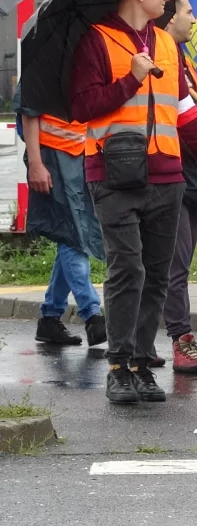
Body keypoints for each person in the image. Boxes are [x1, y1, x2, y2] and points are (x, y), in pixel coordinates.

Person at [70, 0, 197, 404]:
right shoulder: (98, 40)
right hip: (113, 174)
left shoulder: (165, 43)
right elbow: (83, 107)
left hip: (167, 176)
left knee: (157, 275)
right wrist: (130, 78)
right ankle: (118, 366)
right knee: (128, 268)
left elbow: (184, 112)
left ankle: (142, 365)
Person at [17, 81, 106, 348]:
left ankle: (50, 317)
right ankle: (92, 314)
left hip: (80, 155)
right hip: (53, 158)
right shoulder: (45, 60)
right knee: (72, 235)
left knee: (71, 235)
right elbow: (28, 111)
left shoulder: (83, 61)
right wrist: (36, 163)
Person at [159, 0, 197, 374]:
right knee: (173, 265)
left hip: (194, 173)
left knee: (176, 264)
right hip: (170, 172)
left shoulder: (184, 61)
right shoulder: (162, 61)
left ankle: (138, 341)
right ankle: (181, 339)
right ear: (170, 16)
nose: (194, 18)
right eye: (188, 11)